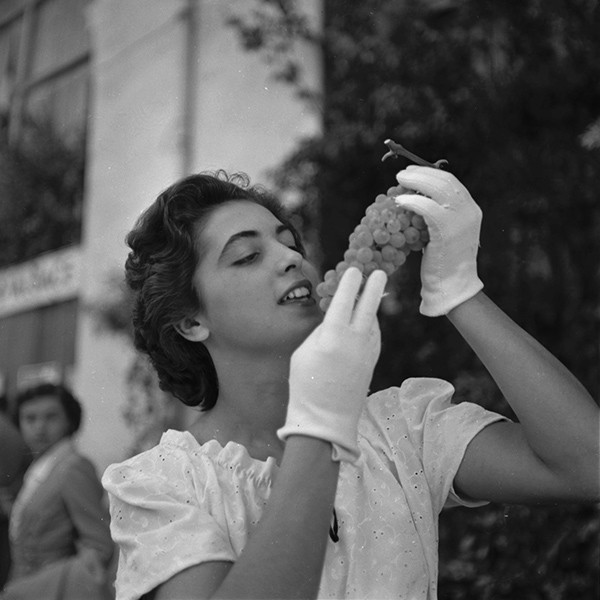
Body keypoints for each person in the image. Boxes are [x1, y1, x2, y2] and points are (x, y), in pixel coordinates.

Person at [102, 167, 599, 600]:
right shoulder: (159, 485)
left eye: (289, 241)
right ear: (190, 323)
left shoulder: (404, 427)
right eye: (247, 257)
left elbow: (587, 467)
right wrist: (320, 427)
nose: (290, 257)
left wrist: (461, 293)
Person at [1, 384, 115, 600]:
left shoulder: (73, 467)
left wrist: (43, 585)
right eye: (30, 418)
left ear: (69, 421)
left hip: (49, 590)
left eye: (51, 417)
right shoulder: (41, 466)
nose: (39, 427)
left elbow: (100, 545)